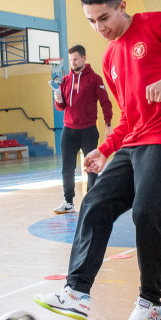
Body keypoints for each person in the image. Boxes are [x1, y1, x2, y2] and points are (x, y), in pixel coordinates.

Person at [34, 0, 161, 320]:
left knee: (146, 213)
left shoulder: (158, 24)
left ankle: (151, 305)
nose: (99, 28)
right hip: (134, 142)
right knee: (95, 203)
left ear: (122, 6)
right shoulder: (111, 57)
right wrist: (105, 147)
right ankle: (76, 292)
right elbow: (129, 115)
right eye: (91, 21)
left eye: (104, 18)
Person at [52, 44, 113, 214]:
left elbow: (105, 103)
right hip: (68, 130)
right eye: (71, 60)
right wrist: (58, 99)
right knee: (67, 167)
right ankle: (68, 202)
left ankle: (91, 201)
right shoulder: (65, 80)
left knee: (91, 166)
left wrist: (108, 124)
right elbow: (62, 106)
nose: (73, 62)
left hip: (88, 130)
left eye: (76, 59)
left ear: (84, 59)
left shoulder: (95, 79)